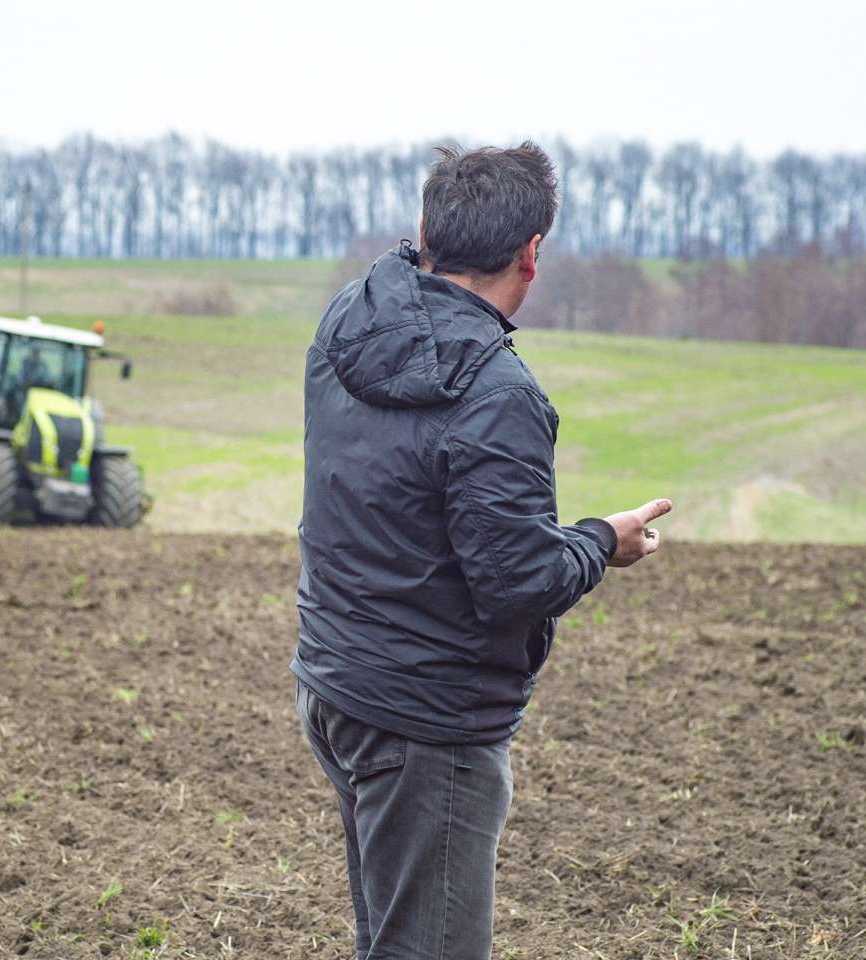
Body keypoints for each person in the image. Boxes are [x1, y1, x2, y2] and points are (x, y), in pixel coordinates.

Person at [291, 141, 671, 960]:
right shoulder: (499, 396)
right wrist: (604, 540)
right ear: (531, 255)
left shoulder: (346, 323)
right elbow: (519, 581)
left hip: (336, 685)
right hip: (426, 723)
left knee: (390, 939)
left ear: (425, 228)